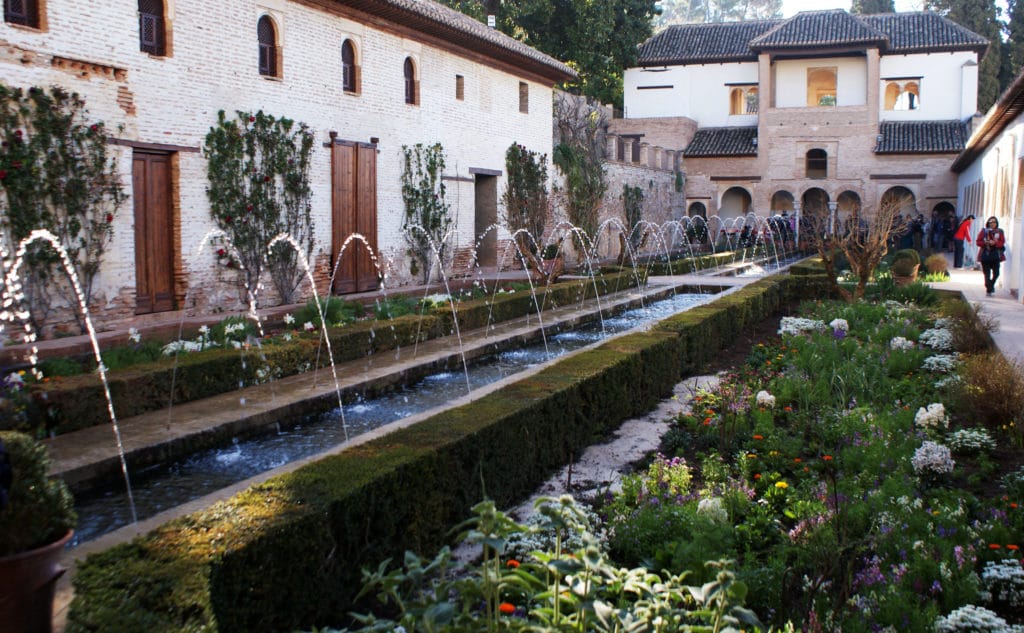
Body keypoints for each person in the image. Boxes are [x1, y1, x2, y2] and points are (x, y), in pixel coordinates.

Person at [976, 216, 1006, 296]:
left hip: (995, 255)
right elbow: (978, 242)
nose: (992, 224)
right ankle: (989, 288)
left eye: (994, 222)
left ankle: (990, 285)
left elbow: (1002, 242)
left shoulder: (1000, 231)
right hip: (985, 255)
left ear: (996, 223)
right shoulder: (984, 231)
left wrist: (995, 243)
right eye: (991, 222)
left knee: (996, 273)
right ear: (988, 223)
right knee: (987, 274)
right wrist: (985, 243)